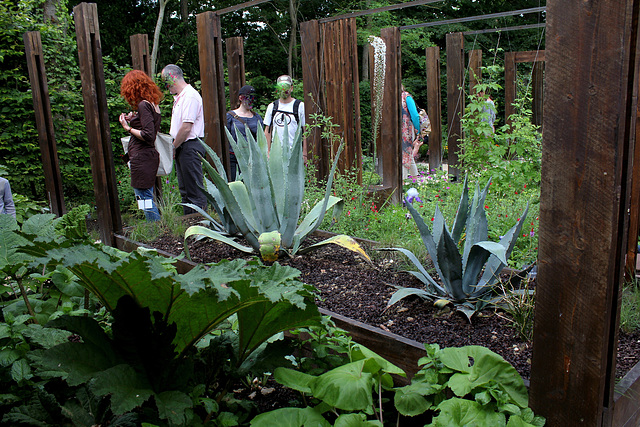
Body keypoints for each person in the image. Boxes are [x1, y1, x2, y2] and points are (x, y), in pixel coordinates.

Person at [161, 64, 206, 215]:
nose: (166, 86)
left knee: (194, 189)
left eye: (165, 81)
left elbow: (187, 127)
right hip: (182, 146)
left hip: (189, 146)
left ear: (172, 78)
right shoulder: (180, 97)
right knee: (185, 190)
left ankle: (201, 226)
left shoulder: (190, 96)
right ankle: (190, 224)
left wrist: (173, 147)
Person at [119, 70, 163, 222]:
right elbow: (148, 126)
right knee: (145, 196)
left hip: (142, 158)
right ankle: (156, 227)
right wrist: (134, 118)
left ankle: (155, 229)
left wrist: (127, 127)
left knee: (143, 197)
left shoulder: (144, 105)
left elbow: (148, 135)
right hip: (146, 158)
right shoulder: (152, 105)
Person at [264, 75, 307, 162]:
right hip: (276, 153)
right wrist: (268, 152)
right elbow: (267, 131)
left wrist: (305, 153)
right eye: (280, 87)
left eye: (286, 87)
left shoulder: (300, 106)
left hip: (295, 153)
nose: (283, 90)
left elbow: (305, 130)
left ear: (291, 88)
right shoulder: (272, 107)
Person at [226, 85, 264, 180]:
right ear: (241, 98)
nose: (251, 100)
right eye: (248, 97)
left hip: (252, 159)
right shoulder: (230, 116)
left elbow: (261, 138)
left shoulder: (256, 117)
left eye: (253, 97)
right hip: (234, 158)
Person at [401, 85, 421, 179]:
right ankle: (409, 180)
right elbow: (415, 115)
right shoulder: (406, 97)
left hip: (393, 131)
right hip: (406, 130)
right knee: (406, 153)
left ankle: (408, 180)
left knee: (405, 153)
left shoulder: (390, 98)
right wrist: (418, 131)